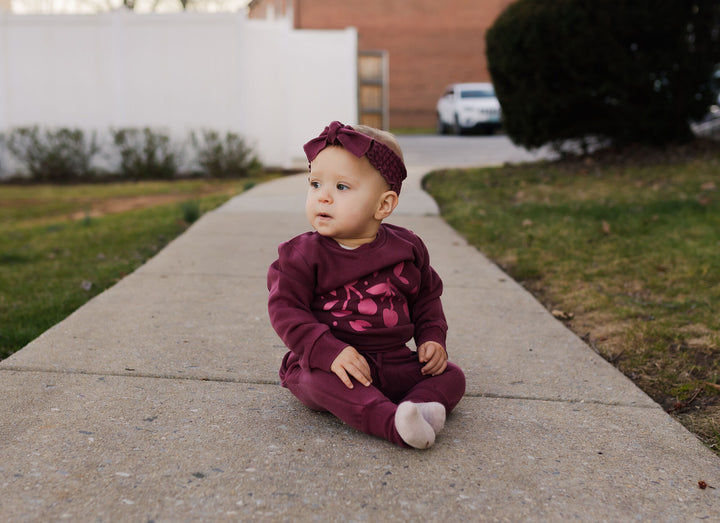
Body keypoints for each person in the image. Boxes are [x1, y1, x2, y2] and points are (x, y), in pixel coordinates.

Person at [267, 121, 465, 449]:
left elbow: (427, 298)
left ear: (383, 205)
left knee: (452, 375)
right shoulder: (301, 255)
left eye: (341, 187)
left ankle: (418, 407)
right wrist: (328, 351)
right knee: (315, 383)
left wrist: (432, 338)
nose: (323, 198)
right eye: (315, 184)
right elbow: (285, 309)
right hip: (333, 364)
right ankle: (391, 423)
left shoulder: (408, 248)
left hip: (394, 360)